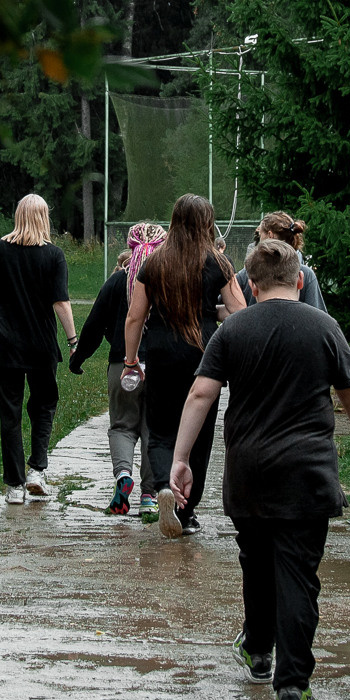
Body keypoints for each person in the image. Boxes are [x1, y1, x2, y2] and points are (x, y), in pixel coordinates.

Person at [169, 236, 350, 700]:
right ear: (300, 280)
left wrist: (181, 459)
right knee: (298, 577)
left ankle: (259, 651)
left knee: (257, 565)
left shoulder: (234, 329)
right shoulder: (324, 327)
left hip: (249, 473)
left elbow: (201, 394)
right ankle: (292, 689)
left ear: (251, 285)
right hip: (307, 473)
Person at [124, 192, 248, 538]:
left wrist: (131, 361)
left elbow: (135, 317)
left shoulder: (154, 262)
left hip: (162, 352)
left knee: (160, 429)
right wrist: (211, 313)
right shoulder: (218, 262)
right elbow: (239, 311)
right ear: (207, 223)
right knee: (200, 435)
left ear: (175, 221)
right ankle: (187, 512)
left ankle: (164, 486)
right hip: (203, 355)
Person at [0, 194, 76, 504]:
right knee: (44, 406)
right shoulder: (54, 255)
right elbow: (61, 302)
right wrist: (73, 340)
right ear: (44, 218)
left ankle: (14, 486)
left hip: (7, 345)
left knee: (9, 414)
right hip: (42, 345)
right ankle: (37, 469)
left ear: (18, 215)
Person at [70, 221, 165, 517]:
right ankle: (148, 495)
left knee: (122, 426)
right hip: (161, 366)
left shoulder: (116, 282)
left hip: (122, 366)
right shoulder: (168, 282)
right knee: (153, 430)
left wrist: (78, 358)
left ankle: (123, 475)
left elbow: (94, 325)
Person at [233, 211, 326, 311]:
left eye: (260, 235)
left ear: (270, 235)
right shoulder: (306, 274)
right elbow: (317, 314)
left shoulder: (248, 272)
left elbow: (230, 305)